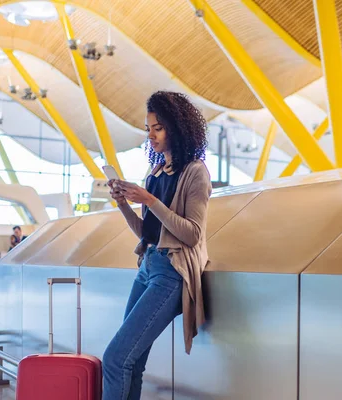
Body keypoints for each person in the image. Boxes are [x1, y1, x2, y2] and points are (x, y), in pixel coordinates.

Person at [103, 91, 212, 400]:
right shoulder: (154, 174)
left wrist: (150, 200)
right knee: (131, 362)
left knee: (114, 358)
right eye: (148, 128)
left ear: (176, 127)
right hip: (148, 266)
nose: (150, 135)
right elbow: (146, 232)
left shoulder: (196, 173)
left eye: (158, 128)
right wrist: (124, 203)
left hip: (171, 273)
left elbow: (191, 234)